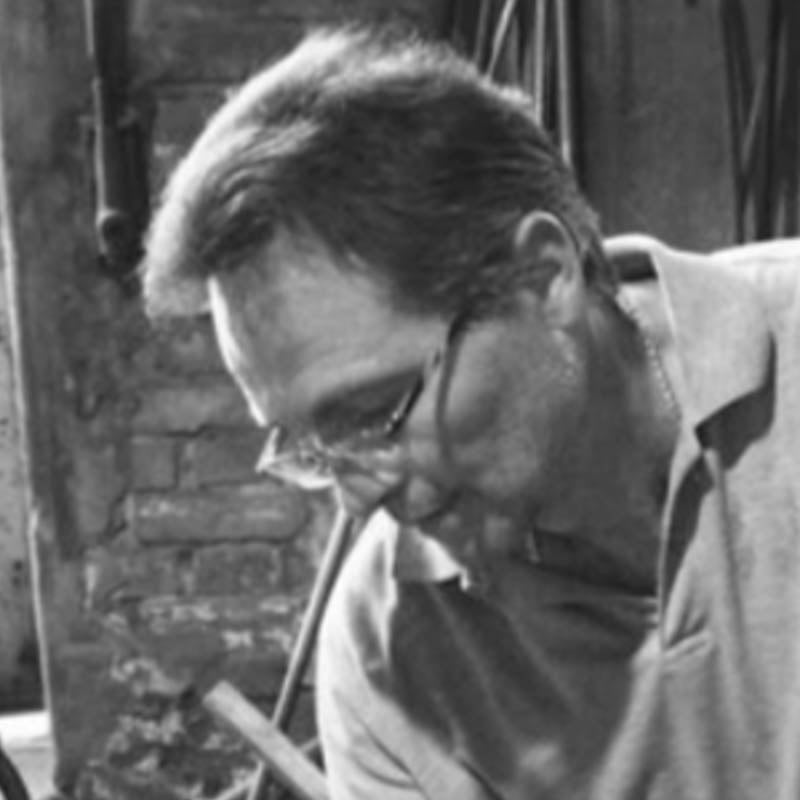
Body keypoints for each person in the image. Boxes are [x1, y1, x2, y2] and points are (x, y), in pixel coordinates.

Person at [141, 25, 800, 800]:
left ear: (543, 276)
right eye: (312, 446)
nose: (357, 496)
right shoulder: (389, 664)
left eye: (375, 410)